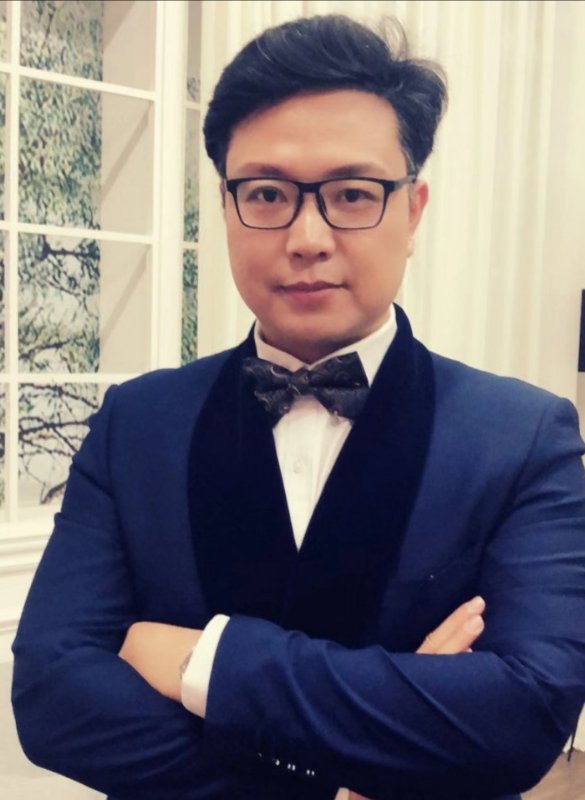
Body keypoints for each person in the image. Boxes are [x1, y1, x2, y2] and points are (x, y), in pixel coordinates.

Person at [11, 13, 585, 800]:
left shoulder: (521, 435)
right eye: (267, 193)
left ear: (412, 211)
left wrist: (205, 663)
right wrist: (349, 770)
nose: (307, 236)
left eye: (351, 193)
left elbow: (523, 715)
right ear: (225, 207)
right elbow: (53, 698)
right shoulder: (137, 424)